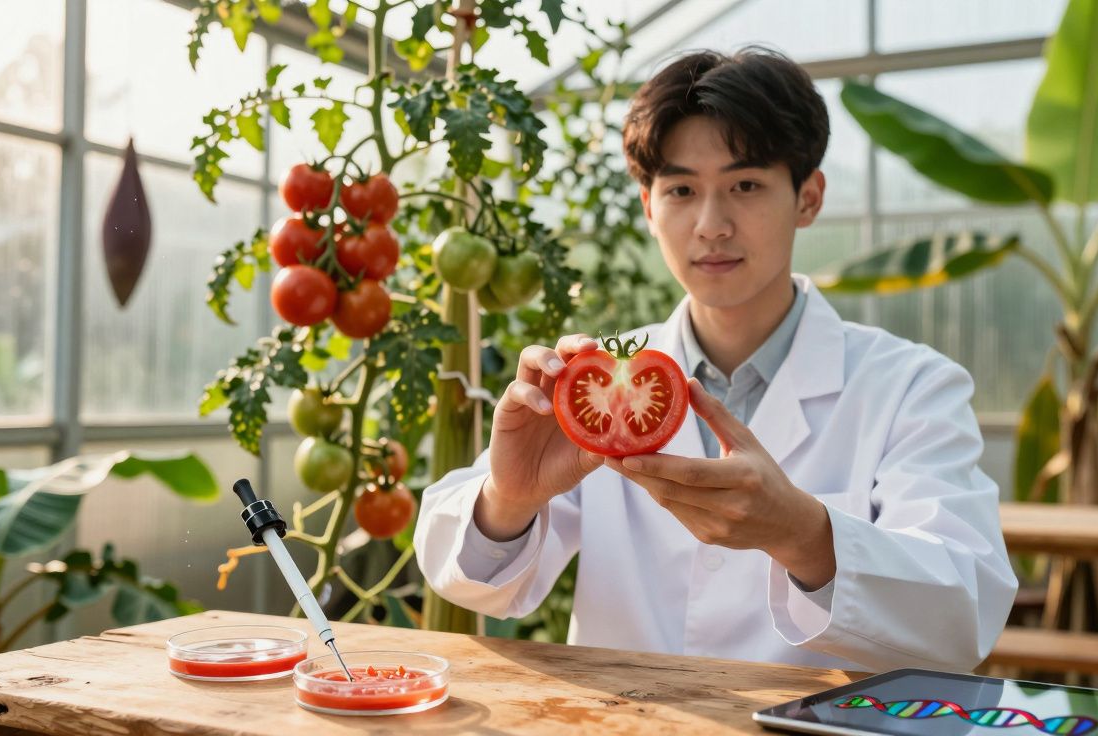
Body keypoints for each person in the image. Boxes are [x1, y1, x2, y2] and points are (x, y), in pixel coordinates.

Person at [414, 47, 1017, 673]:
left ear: (808, 197)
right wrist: (508, 498)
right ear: (649, 206)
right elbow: (467, 580)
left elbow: (962, 616)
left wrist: (805, 534)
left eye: (746, 185)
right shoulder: (594, 388)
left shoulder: (912, 388)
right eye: (680, 189)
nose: (711, 225)